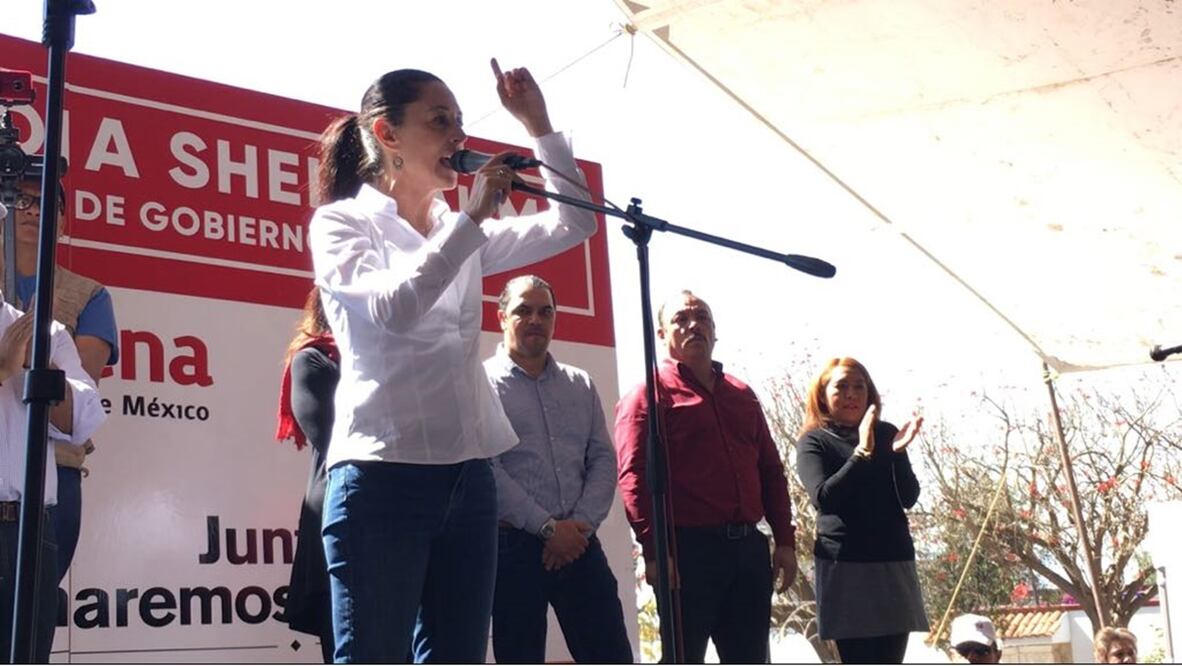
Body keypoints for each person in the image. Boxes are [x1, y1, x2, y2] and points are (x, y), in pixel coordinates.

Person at [308, 60, 597, 663]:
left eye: (461, 122)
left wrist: (537, 124)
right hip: (382, 476)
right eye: (440, 121)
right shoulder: (342, 224)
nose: (458, 137)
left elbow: (577, 222)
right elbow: (395, 306)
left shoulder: (459, 232)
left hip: (468, 479)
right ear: (386, 134)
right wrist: (469, 220)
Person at [614, 289, 797, 664]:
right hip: (687, 554)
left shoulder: (742, 394)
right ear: (662, 335)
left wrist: (785, 540)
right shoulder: (647, 395)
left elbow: (770, 470)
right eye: (681, 319)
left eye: (702, 318)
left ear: (715, 331)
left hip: (748, 551)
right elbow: (634, 477)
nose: (694, 325)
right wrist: (655, 551)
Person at [484, 275, 632, 664]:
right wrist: (547, 528)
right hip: (513, 550)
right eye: (523, 310)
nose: (535, 319)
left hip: (580, 546)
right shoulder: (479, 385)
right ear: (501, 317)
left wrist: (578, 526)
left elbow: (602, 458)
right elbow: (486, 469)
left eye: (545, 311)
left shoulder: (580, 384)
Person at [3, 170, 120, 587]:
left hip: (54, 473)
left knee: (31, 622)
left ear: (63, 221)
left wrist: (34, 350)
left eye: (46, 203)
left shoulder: (89, 294)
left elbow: (79, 395)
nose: (33, 210)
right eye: (21, 199)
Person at [794, 357, 928, 664]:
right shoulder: (814, 441)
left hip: (892, 562)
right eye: (842, 387)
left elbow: (908, 497)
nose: (852, 394)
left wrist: (897, 454)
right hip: (846, 567)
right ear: (823, 395)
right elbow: (825, 498)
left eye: (859, 386)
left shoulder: (885, 432)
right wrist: (862, 453)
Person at [0, 294, 106, 662]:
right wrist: (2, 369)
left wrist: (38, 363)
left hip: (26, 530)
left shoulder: (42, 332)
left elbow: (81, 422)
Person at [275, 288, 339, 663]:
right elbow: (330, 438)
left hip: (399, 515)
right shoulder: (314, 360)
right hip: (337, 509)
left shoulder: (394, 360)